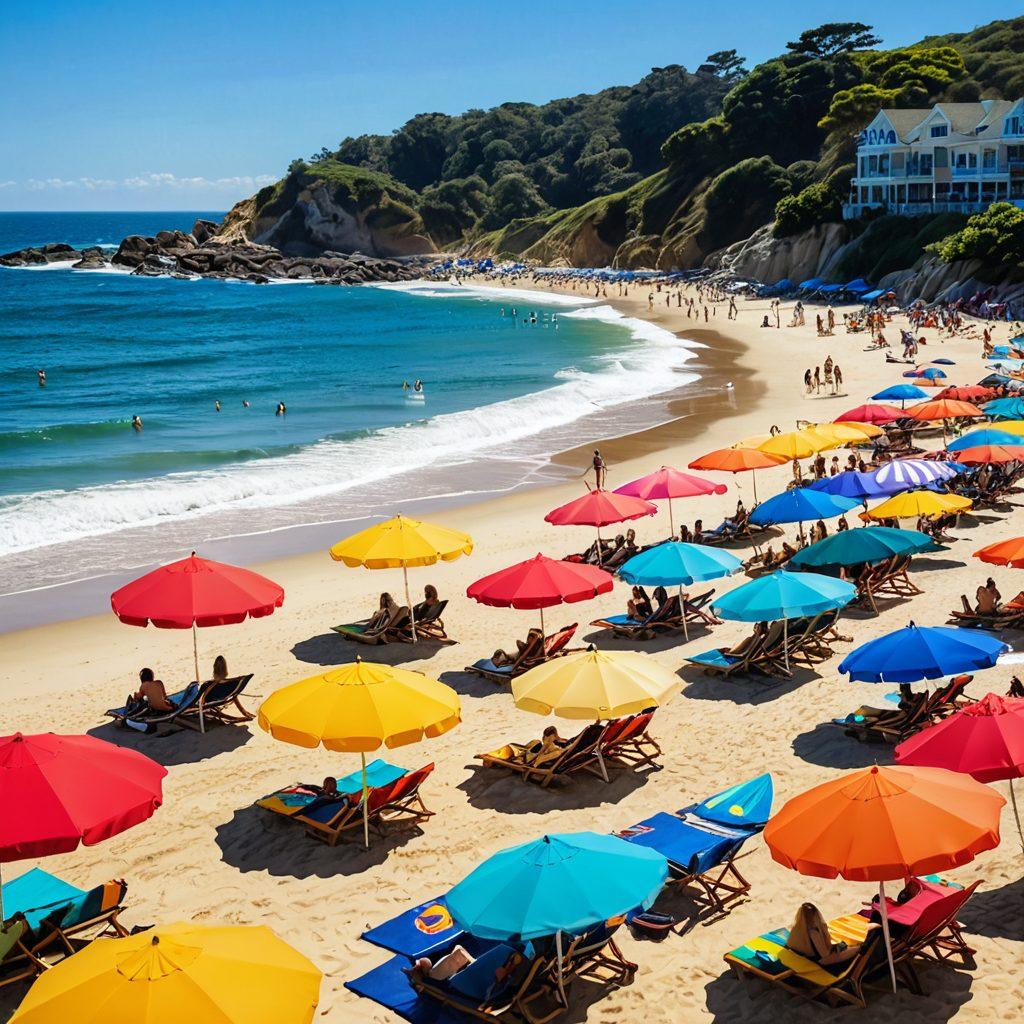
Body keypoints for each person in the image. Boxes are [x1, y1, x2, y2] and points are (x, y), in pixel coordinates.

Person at [786, 903, 868, 967]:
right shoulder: (813, 932)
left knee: (848, 947)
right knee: (858, 948)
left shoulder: (797, 927)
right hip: (820, 961)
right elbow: (824, 954)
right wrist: (837, 948)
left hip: (807, 956)